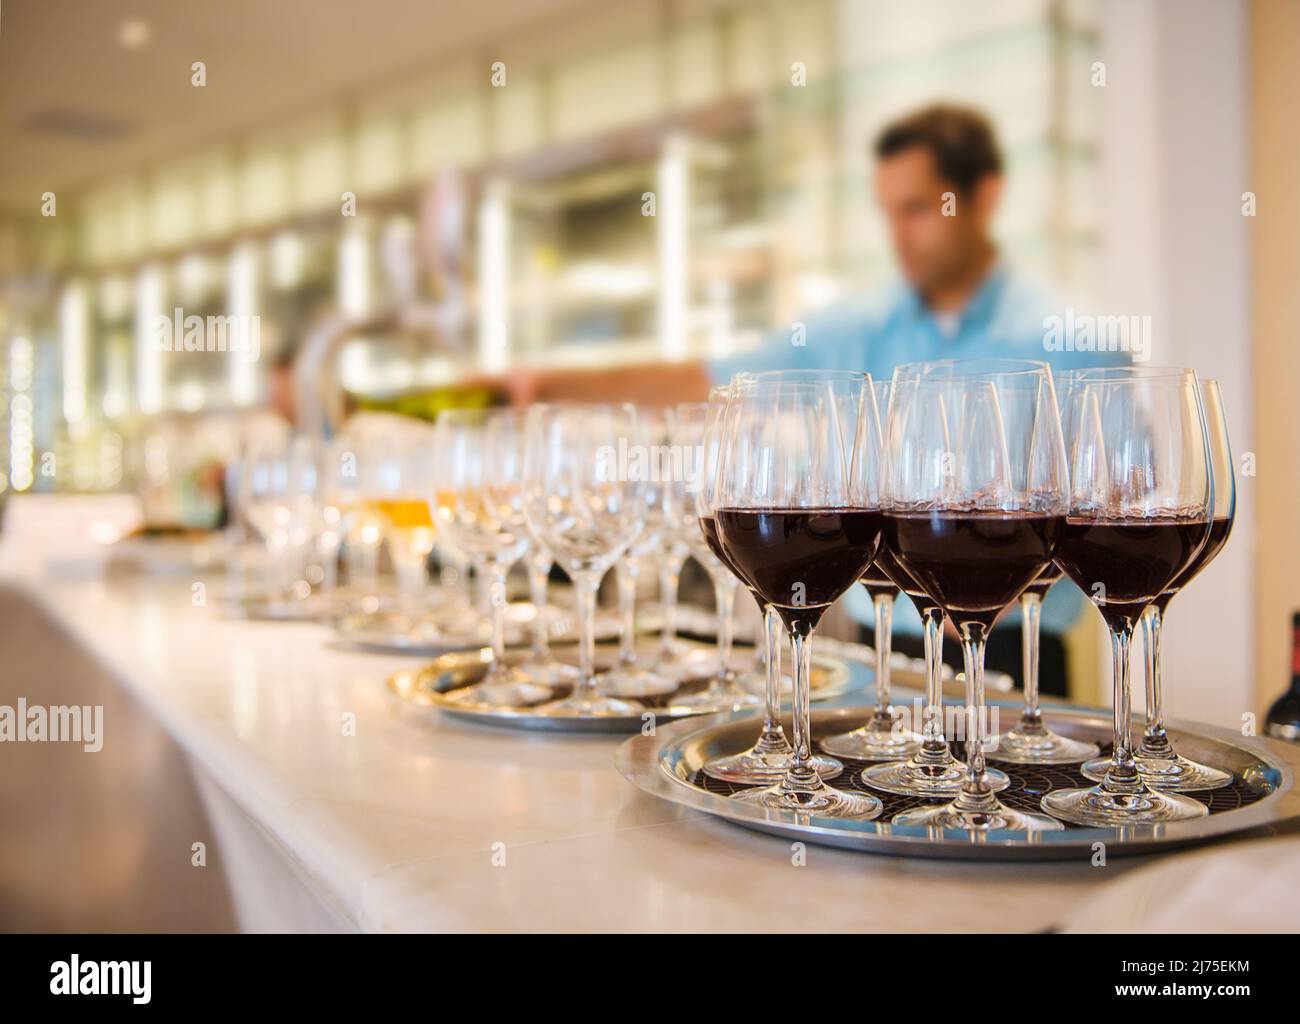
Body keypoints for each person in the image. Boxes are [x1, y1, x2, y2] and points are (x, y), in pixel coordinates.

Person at [496, 103, 1130, 692]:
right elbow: (710, 380)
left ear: (983, 198)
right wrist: (548, 388)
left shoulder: (1072, 339)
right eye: (889, 213)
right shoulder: (857, 327)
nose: (899, 234)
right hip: (888, 644)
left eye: (917, 209)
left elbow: (1127, 497)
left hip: (1020, 656)